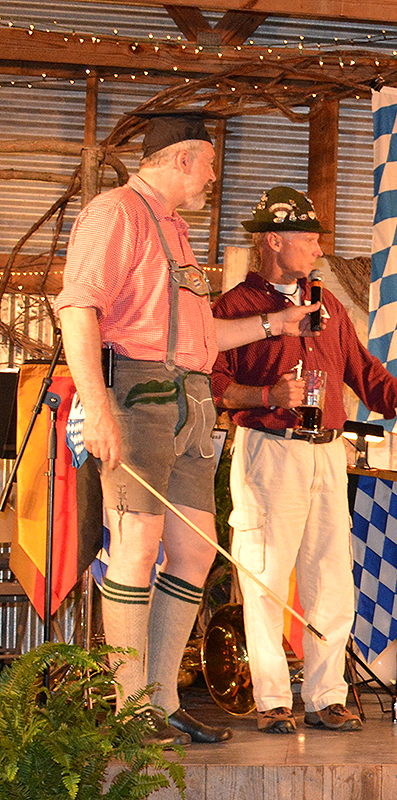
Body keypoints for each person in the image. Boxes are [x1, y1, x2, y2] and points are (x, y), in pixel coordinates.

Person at [55, 113, 319, 747]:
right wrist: (99, 405)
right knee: (137, 544)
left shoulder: (176, 230)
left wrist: (276, 325)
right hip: (137, 396)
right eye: (207, 163)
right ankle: (127, 709)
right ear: (179, 159)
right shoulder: (114, 212)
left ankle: (164, 698)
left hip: (192, 402)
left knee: (196, 550)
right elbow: (77, 309)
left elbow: (202, 339)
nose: (212, 176)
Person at [211, 186, 397, 734]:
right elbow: (216, 386)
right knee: (265, 576)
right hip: (269, 452)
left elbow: (365, 371)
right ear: (274, 240)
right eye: (309, 238)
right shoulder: (234, 308)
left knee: (331, 579)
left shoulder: (328, 304)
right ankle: (272, 701)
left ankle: (325, 695)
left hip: (327, 454)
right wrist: (269, 396)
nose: (318, 249)